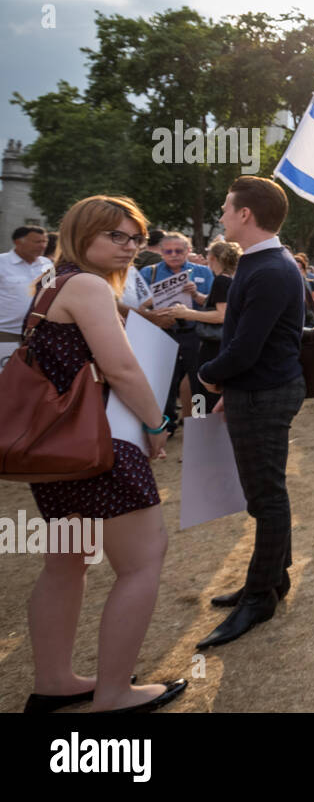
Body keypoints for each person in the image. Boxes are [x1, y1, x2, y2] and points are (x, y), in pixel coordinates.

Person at [22, 196, 186, 713]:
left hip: (56, 448)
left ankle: (55, 681)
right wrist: (157, 423)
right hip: (101, 444)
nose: (131, 247)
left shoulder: (48, 285)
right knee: (142, 562)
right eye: (118, 236)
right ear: (83, 233)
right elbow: (122, 369)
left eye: (137, 238)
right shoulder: (88, 286)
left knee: (65, 564)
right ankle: (114, 692)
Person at [195, 176, 305, 649]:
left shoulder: (270, 269)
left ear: (245, 215)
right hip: (254, 391)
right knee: (267, 494)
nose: (220, 215)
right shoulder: (262, 264)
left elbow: (243, 349)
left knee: (266, 498)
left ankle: (260, 596)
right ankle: (272, 577)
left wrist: (208, 375)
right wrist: (228, 386)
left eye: (225, 207)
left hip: (264, 393)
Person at [139, 232, 213, 430]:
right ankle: (166, 424)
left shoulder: (203, 272)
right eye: (168, 251)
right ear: (161, 252)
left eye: (179, 251)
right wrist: (155, 300)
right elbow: (137, 306)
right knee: (164, 381)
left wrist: (196, 294)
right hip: (163, 333)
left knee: (197, 381)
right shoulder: (149, 272)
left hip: (194, 333)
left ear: (188, 251)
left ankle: (199, 422)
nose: (173, 255)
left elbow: (214, 305)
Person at [160, 240, 241, 413]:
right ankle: (200, 421)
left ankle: (201, 422)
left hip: (211, 346)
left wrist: (186, 314)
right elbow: (217, 305)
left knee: (202, 389)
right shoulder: (230, 279)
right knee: (196, 385)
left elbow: (221, 315)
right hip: (218, 344)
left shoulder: (220, 281)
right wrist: (196, 295)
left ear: (211, 258)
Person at [1, 225, 53, 365]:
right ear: (18, 242)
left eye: (44, 242)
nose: (42, 246)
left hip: (35, 333)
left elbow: (51, 293)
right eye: (37, 242)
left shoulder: (47, 264)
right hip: (6, 333)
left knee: (27, 377)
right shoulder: (2, 262)